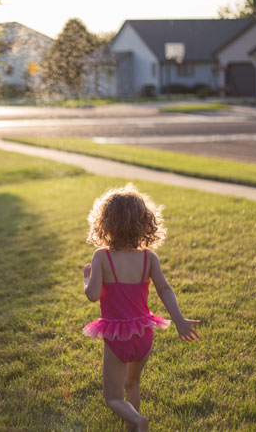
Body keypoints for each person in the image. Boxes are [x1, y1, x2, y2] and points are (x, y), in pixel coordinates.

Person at [82, 183, 200, 431]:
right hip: (144, 333)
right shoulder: (148, 257)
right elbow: (165, 290)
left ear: (105, 223)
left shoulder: (101, 257)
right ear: (143, 223)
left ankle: (137, 420)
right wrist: (178, 320)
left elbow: (92, 295)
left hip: (117, 336)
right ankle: (134, 427)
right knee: (132, 383)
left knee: (112, 397)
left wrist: (86, 278)